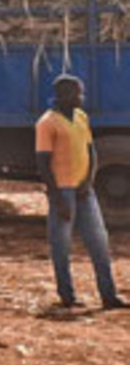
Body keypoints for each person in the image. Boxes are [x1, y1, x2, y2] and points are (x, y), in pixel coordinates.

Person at [36, 74, 125, 311]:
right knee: (61, 246)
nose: (82, 97)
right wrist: (56, 197)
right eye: (78, 93)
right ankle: (67, 296)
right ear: (64, 95)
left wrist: (88, 182)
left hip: (84, 191)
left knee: (99, 243)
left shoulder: (81, 117)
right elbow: (43, 163)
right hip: (62, 191)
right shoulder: (47, 123)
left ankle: (109, 296)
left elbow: (91, 152)